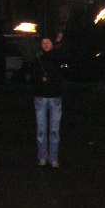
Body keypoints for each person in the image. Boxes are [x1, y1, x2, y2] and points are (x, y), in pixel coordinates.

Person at [33, 31, 69, 168]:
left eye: (48, 42)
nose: (46, 45)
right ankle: (42, 155)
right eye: (43, 42)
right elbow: (33, 75)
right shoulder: (38, 57)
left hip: (55, 97)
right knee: (41, 130)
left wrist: (59, 41)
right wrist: (40, 79)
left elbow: (65, 61)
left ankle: (53, 157)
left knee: (54, 130)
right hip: (41, 97)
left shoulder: (57, 56)